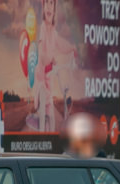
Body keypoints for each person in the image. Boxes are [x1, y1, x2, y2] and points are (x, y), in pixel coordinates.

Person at [35, 0, 77, 133]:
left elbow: (61, 44)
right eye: (46, 3)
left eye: (51, 4)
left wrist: (72, 48)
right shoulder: (42, 28)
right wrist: (49, 59)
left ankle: (50, 137)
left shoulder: (53, 32)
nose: (48, 7)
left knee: (51, 115)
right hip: (41, 80)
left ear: (54, 9)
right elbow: (41, 53)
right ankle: (41, 133)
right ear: (43, 8)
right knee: (43, 113)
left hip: (49, 80)